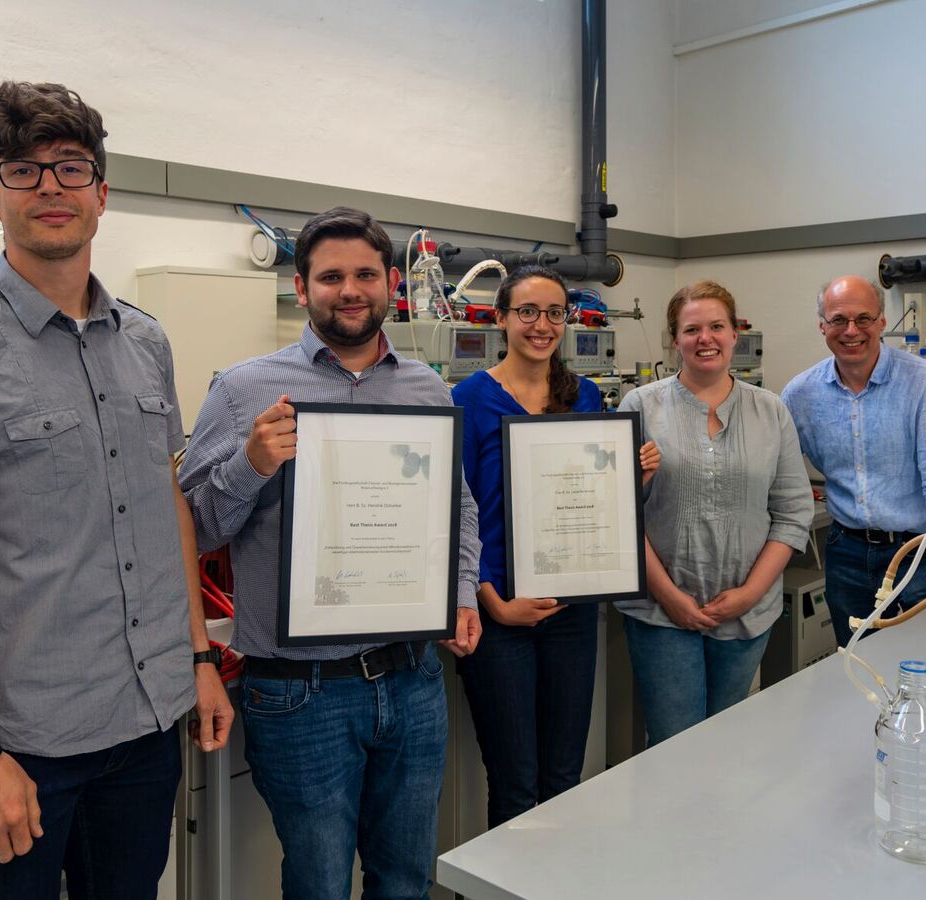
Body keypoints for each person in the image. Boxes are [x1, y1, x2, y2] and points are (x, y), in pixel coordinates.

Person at [0, 81, 232, 899]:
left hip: (144, 727)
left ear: (102, 192)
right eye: (22, 170)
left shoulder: (145, 342)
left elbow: (165, 507)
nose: (51, 187)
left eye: (71, 167)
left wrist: (198, 658)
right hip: (14, 747)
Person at [179, 206, 483, 900]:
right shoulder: (242, 389)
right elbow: (192, 531)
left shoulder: (425, 388)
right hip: (299, 692)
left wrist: (461, 591)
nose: (350, 290)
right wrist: (251, 464)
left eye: (366, 275)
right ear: (301, 288)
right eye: (331, 277)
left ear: (392, 285)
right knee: (318, 886)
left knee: (406, 881)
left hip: (413, 679)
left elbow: (458, 506)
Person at [448, 265, 660, 826]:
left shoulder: (584, 394)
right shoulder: (467, 400)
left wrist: (630, 479)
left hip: (571, 609)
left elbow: (589, 499)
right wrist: (492, 601)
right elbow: (456, 512)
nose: (541, 325)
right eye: (527, 312)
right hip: (499, 612)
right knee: (515, 785)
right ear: (500, 319)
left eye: (554, 313)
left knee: (565, 779)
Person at [615, 281, 812, 745]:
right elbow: (621, 514)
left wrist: (748, 594)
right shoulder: (641, 407)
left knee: (727, 744)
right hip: (661, 612)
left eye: (717, 327)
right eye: (692, 329)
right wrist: (670, 597)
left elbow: (792, 512)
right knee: (673, 744)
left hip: (746, 614)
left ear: (735, 334)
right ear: (675, 339)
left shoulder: (771, 411)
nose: (706, 338)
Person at [781, 275, 926, 647]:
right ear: (822, 326)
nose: (851, 331)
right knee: (855, 664)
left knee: (925, 663)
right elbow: (772, 474)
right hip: (846, 555)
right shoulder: (800, 394)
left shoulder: (925, 383)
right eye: (838, 320)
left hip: (919, 554)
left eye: (863, 318)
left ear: (882, 321)